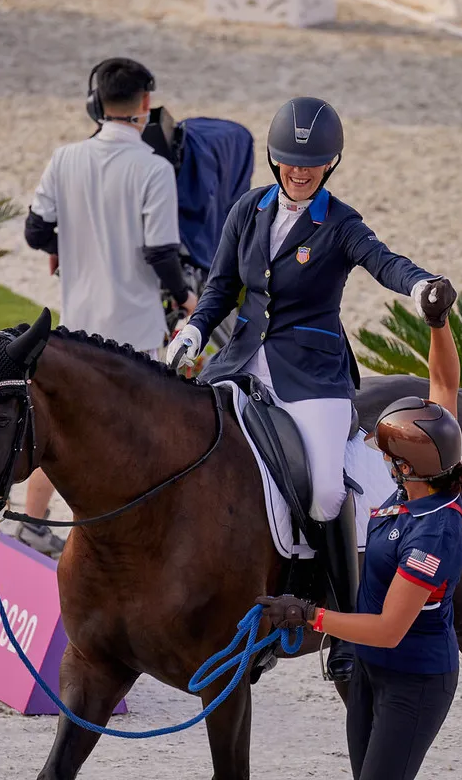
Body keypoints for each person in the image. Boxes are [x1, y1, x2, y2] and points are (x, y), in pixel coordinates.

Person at [167, 96, 447, 681]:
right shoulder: (248, 209)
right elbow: (220, 287)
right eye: (291, 161)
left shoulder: (340, 223)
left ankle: (344, 623)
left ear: (330, 163)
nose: (300, 171)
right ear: (275, 160)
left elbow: (384, 262)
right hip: (240, 361)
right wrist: (194, 331)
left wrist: (421, 286)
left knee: (323, 491)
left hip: (312, 375)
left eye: (312, 163)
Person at [257, 281, 462, 779]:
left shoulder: (433, 535)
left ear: (407, 467)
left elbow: (389, 628)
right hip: (373, 674)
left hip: (413, 682)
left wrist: (310, 616)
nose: (383, 458)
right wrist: (438, 324)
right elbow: (443, 387)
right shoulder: (427, 475)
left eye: (389, 455)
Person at [22, 57, 197, 555]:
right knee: (135, 439)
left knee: (64, 430)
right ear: (146, 103)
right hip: (134, 332)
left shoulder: (64, 158)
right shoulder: (154, 168)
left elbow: (35, 230)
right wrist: (185, 298)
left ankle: (32, 524)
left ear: (95, 103)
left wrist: (68, 243)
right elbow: (159, 252)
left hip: (77, 328)